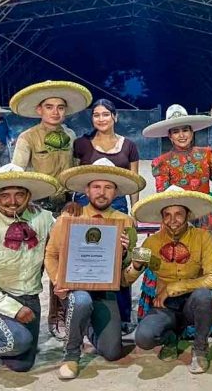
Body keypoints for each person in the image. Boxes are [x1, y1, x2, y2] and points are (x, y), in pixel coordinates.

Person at [45, 159, 146, 379]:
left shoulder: (125, 222)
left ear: (116, 192)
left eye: (108, 187)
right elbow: (51, 255)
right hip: (74, 288)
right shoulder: (69, 218)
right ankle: (71, 355)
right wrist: (57, 281)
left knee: (112, 352)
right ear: (87, 190)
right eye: (96, 187)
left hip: (105, 290)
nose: (102, 193)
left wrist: (133, 261)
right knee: (81, 301)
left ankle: (87, 324)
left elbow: (123, 278)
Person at [9, 80, 92, 341]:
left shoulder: (70, 137)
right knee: (33, 264)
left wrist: (75, 198)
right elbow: (17, 174)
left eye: (60, 107)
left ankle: (58, 315)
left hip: (65, 208)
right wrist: (25, 204)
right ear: (39, 110)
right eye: (49, 107)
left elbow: (78, 173)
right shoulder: (28, 137)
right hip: (35, 210)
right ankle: (23, 315)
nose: (55, 112)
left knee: (63, 263)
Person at [0, 164, 59, 377]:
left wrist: (71, 214)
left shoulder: (44, 219)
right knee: (18, 341)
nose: (12, 201)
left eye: (19, 194)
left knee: (22, 364)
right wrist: (13, 310)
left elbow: (67, 240)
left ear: (29, 195)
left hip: (29, 296)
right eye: (5, 195)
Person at [129, 186, 212, 374]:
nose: (173, 221)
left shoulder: (203, 237)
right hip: (165, 306)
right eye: (167, 215)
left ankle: (200, 349)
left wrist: (174, 287)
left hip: (192, 303)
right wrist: (136, 266)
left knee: (204, 296)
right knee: (143, 338)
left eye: (178, 214)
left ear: (188, 214)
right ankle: (171, 339)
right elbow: (126, 279)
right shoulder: (150, 242)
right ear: (161, 217)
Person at [71, 98, 140, 334]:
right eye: (96, 115)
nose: (101, 119)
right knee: (88, 256)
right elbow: (73, 177)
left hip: (119, 205)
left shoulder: (129, 146)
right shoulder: (81, 144)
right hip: (86, 204)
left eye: (105, 114)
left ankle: (122, 316)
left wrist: (135, 213)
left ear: (115, 117)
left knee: (121, 258)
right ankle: (86, 312)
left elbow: (133, 183)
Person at [144, 104, 212, 237]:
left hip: (205, 216)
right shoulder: (162, 162)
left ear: (192, 132)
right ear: (169, 136)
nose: (181, 135)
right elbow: (163, 196)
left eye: (185, 130)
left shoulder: (207, 154)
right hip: (176, 219)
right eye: (175, 132)